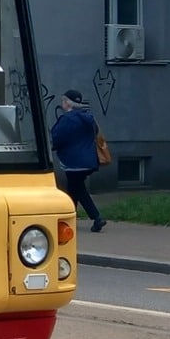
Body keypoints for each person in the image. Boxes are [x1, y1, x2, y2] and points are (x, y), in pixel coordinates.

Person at [52, 89, 109, 233]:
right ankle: (69, 219)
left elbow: (57, 138)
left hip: (72, 162)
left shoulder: (67, 120)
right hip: (89, 161)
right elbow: (95, 134)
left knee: (78, 189)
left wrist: (54, 147)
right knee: (74, 189)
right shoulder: (88, 117)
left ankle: (97, 217)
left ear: (67, 103)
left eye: (63, 101)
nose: (62, 104)